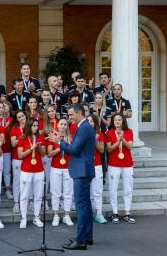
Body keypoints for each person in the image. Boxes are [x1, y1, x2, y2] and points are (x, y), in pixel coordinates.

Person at [52, 103, 95, 250]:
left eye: (71, 114)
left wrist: (60, 142)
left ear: (79, 113)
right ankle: (87, 236)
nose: (69, 117)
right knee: (86, 205)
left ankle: (81, 240)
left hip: (81, 171)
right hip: (83, 170)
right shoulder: (83, 127)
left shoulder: (83, 128)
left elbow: (74, 149)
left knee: (81, 206)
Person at [105, 113, 136, 224]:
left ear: (123, 121)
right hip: (114, 164)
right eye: (115, 120)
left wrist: (123, 139)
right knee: (113, 189)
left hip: (127, 164)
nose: (117, 122)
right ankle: (115, 212)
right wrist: (118, 141)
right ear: (113, 122)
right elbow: (108, 149)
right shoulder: (109, 133)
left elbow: (130, 147)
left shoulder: (129, 132)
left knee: (128, 189)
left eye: (119, 120)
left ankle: (127, 212)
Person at [17, 118, 46, 229]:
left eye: (37, 125)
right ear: (29, 126)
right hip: (26, 170)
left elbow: (44, 154)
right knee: (24, 195)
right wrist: (31, 148)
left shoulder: (40, 137)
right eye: (33, 125)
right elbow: (20, 155)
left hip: (39, 169)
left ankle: (36, 217)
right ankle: (23, 218)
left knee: (38, 195)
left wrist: (38, 146)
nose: (36, 128)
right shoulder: (22, 138)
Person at [47, 117, 74, 227]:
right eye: (61, 124)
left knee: (68, 193)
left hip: (68, 167)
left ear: (67, 126)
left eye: (65, 124)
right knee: (56, 192)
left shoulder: (71, 137)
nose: (63, 126)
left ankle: (66, 215)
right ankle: (56, 215)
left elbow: (73, 151)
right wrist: (61, 146)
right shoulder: (52, 136)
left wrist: (64, 144)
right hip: (56, 167)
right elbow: (49, 154)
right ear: (57, 125)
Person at [87, 114, 107, 224]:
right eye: (88, 120)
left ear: (95, 123)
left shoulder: (99, 134)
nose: (89, 123)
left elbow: (102, 150)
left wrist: (95, 141)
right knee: (87, 192)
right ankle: (88, 214)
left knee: (97, 191)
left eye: (91, 121)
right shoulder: (83, 133)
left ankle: (99, 213)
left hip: (97, 166)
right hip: (86, 166)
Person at [0, 101, 13, 200]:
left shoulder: (9, 119)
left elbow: (13, 134)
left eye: (2, 107)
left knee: (6, 170)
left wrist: (7, 129)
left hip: (6, 148)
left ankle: (7, 190)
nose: (1, 109)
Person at [9, 110, 27, 214]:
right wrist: (24, 135)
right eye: (19, 117)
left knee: (27, 181)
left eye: (22, 116)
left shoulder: (30, 126)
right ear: (17, 119)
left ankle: (28, 201)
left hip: (28, 158)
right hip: (17, 158)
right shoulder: (14, 129)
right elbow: (13, 143)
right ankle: (16, 203)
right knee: (17, 181)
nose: (21, 118)